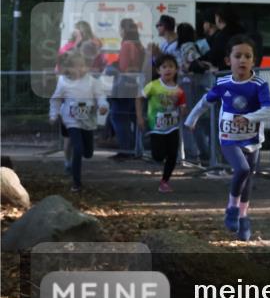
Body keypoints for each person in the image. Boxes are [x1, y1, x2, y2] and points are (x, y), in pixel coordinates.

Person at [185, 35, 270, 241]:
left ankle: (243, 217)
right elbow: (205, 102)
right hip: (229, 138)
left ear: (253, 61)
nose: (243, 60)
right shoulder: (223, 83)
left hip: (252, 139)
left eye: (247, 56)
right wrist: (191, 119)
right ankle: (232, 208)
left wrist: (249, 118)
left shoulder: (259, 85)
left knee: (248, 178)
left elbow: (268, 110)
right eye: (238, 56)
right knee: (242, 169)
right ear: (228, 61)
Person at [50, 52, 108, 193]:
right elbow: (56, 99)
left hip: (88, 120)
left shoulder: (92, 81)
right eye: (76, 67)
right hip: (71, 120)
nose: (81, 69)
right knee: (78, 148)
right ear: (69, 69)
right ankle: (76, 183)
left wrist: (103, 105)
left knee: (88, 153)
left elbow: (101, 96)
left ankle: (77, 159)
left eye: (83, 66)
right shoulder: (63, 82)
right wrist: (53, 114)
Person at [137, 54, 187, 193]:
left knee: (172, 155)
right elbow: (139, 98)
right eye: (164, 67)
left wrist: (183, 110)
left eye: (171, 66)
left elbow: (182, 106)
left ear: (176, 69)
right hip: (156, 126)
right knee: (158, 156)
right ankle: (152, 149)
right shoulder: (153, 86)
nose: (168, 69)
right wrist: (140, 117)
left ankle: (165, 181)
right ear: (159, 70)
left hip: (172, 127)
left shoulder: (179, 90)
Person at [108, 18, 145, 160]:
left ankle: (125, 149)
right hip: (135, 85)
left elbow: (123, 67)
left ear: (124, 30)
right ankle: (136, 149)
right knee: (132, 117)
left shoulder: (126, 44)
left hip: (123, 86)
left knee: (118, 116)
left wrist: (113, 67)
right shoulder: (138, 45)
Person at [176, 22, 212, 165]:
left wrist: (189, 67)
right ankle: (203, 153)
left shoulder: (186, 46)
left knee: (191, 119)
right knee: (198, 120)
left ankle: (196, 154)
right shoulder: (195, 45)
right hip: (196, 84)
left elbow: (192, 63)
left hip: (190, 85)